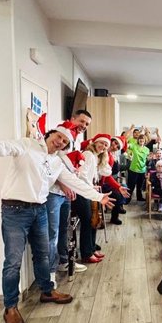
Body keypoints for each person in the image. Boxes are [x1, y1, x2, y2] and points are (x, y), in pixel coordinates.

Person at [0, 124, 113, 323]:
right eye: (59, 137)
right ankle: (11, 307)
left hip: (40, 210)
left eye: (65, 142)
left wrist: (98, 197)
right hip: (14, 211)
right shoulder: (26, 145)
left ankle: (46, 291)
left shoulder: (56, 162)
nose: (60, 142)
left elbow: (74, 182)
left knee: (42, 254)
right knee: (13, 261)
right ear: (50, 134)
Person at [47, 111, 92, 279]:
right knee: (53, 232)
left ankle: (64, 261)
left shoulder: (73, 139)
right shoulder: (62, 135)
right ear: (72, 119)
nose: (84, 126)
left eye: (87, 124)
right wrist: (64, 184)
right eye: (82, 121)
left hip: (65, 192)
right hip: (54, 191)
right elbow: (53, 165)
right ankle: (50, 272)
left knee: (64, 228)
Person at [76, 134, 112, 263]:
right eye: (101, 143)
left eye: (106, 145)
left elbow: (107, 172)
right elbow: (81, 174)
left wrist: (105, 158)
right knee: (87, 222)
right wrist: (91, 187)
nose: (103, 147)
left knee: (93, 221)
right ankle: (86, 253)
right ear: (94, 142)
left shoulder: (95, 156)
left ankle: (91, 249)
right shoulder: (88, 155)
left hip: (89, 192)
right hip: (82, 193)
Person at [126, 133, 150, 203]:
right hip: (133, 169)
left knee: (140, 186)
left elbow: (147, 159)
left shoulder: (147, 149)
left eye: (143, 139)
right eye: (140, 139)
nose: (141, 140)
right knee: (131, 186)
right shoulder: (134, 146)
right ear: (138, 140)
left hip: (142, 170)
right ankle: (128, 199)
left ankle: (139, 197)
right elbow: (127, 145)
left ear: (145, 140)